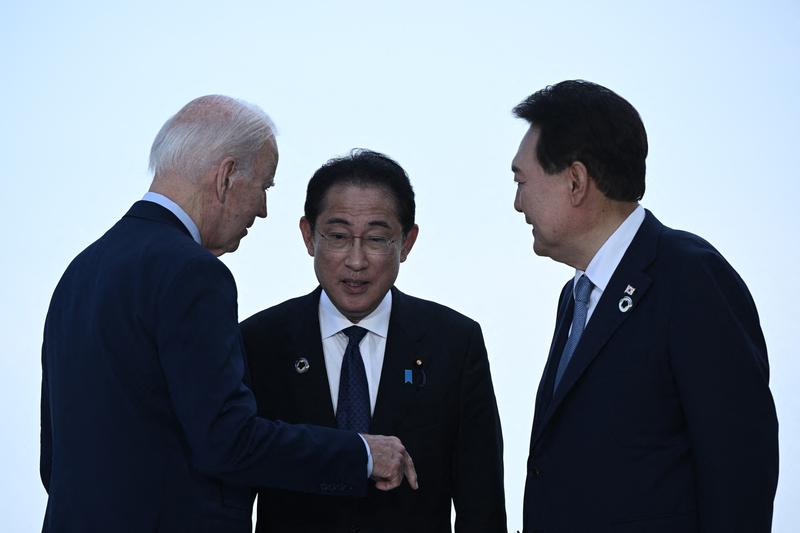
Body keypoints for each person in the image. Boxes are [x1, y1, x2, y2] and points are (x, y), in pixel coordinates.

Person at [39, 96, 417, 533]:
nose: (262, 209)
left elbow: (55, 458)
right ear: (225, 177)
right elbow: (227, 441)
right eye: (264, 186)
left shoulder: (81, 271)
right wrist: (363, 454)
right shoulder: (193, 273)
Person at [511, 80, 779, 532]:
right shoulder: (575, 296)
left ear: (575, 181)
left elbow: (739, 467)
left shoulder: (690, 277)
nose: (517, 203)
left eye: (521, 181)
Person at [240, 149, 507, 533]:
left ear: (407, 242)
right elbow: (233, 486)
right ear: (308, 236)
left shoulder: (454, 342)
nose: (356, 260)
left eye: (378, 239)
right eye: (338, 236)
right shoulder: (259, 341)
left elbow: (480, 502)